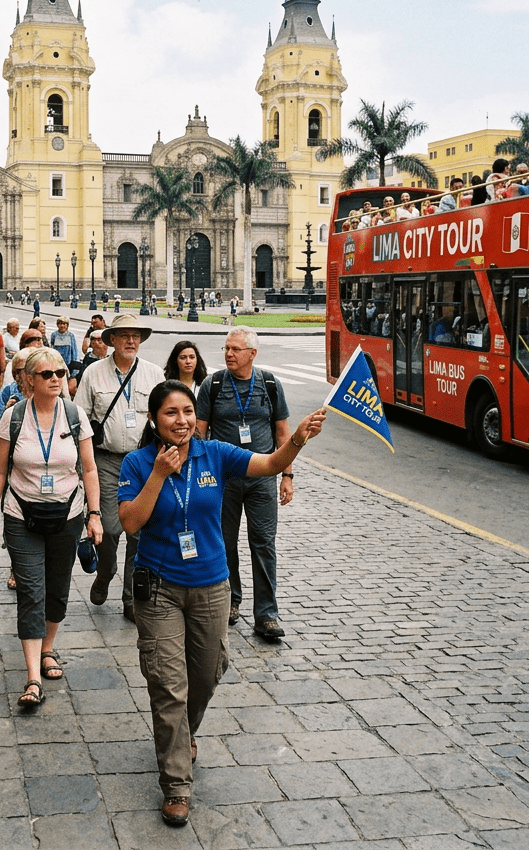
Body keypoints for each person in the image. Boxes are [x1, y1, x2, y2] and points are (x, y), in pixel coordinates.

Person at [119, 380, 326, 827]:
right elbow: (132, 522)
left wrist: (298, 439)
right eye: (171, 413)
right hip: (159, 587)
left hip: (212, 585)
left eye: (188, 411)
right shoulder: (138, 463)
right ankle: (176, 782)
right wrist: (157, 474)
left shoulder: (215, 453)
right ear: (155, 420)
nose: (182, 421)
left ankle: (183, 733)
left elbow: (270, 462)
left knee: (208, 671)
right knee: (168, 683)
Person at [0, 349, 102, 709]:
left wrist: (94, 514)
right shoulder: (13, 417)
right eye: (47, 373)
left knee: (57, 587)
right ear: (29, 380)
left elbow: (90, 469)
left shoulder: (75, 415)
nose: (55, 378)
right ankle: (33, 675)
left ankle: (49, 646)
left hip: (68, 513)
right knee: (31, 590)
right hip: (22, 514)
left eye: (60, 372)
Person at [195, 326, 293, 637]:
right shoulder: (213, 385)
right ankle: (230, 601)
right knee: (224, 542)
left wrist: (286, 475)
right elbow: (199, 433)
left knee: (263, 543)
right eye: (226, 348)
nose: (228, 354)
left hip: (262, 477)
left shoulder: (269, 384)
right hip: (223, 479)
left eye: (235, 349)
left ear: (252, 353)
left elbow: (283, 434)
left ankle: (266, 614)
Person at [74, 313, 165, 621]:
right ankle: (105, 572)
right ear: (111, 340)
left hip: (143, 462)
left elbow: (164, 417)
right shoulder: (93, 374)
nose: (130, 341)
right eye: (124, 335)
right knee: (110, 530)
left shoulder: (153, 374)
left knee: (139, 533)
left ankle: (130, 597)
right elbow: (80, 420)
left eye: (135, 336)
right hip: (106, 461)